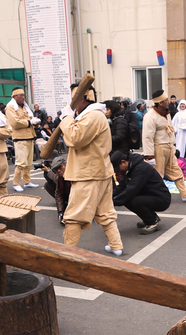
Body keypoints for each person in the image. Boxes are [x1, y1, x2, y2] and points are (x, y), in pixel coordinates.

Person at [57, 83, 124, 256]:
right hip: (98, 172)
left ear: (82, 98)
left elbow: (74, 137)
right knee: (105, 212)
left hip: (88, 175)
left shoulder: (93, 116)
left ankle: (67, 253)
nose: (71, 103)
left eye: (74, 99)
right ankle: (116, 245)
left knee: (73, 216)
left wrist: (66, 118)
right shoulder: (93, 115)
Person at [142, 90, 186, 202]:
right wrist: (150, 156)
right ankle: (154, 197)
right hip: (158, 148)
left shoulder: (166, 113)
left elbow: (170, 129)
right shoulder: (150, 116)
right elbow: (147, 137)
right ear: (160, 103)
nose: (169, 101)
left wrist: (173, 144)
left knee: (176, 171)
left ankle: (184, 194)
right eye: (166, 100)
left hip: (169, 147)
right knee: (157, 175)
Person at [111, 150, 171, 234]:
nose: (118, 171)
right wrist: (107, 197)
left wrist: (112, 203)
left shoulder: (141, 168)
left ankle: (152, 222)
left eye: (118, 167)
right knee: (127, 199)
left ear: (123, 162)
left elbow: (131, 190)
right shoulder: (130, 168)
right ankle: (149, 218)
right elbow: (121, 187)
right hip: (149, 195)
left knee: (131, 200)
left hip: (161, 199)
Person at [6, 87, 40, 192]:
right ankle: (16, 183)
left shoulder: (25, 107)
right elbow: (15, 123)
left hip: (29, 135)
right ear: (15, 96)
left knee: (28, 161)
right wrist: (30, 122)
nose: (23, 97)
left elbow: (28, 119)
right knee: (21, 162)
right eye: (20, 95)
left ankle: (27, 181)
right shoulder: (11, 107)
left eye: (23, 95)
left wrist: (34, 120)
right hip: (20, 137)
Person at [43, 156, 71, 224]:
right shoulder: (59, 177)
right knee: (47, 185)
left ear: (66, 164)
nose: (58, 170)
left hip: (80, 197)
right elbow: (58, 194)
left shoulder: (74, 173)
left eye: (60, 167)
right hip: (69, 196)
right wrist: (60, 212)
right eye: (56, 169)